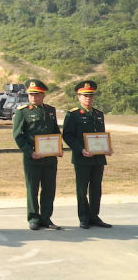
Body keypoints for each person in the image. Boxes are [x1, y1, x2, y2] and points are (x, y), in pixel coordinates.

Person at [62, 81, 114, 229]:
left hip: (98, 158)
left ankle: (94, 216)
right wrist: (80, 150)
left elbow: (100, 136)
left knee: (96, 188)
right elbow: (68, 135)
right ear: (78, 97)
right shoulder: (73, 114)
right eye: (85, 96)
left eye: (90, 96)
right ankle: (84, 217)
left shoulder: (98, 114)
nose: (88, 99)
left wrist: (107, 149)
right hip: (82, 157)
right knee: (82, 189)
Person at [12, 79, 62, 231]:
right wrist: (30, 152)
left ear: (43, 95)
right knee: (33, 189)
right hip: (32, 157)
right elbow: (18, 135)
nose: (33, 97)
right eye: (31, 94)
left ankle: (46, 218)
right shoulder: (23, 112)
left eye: (37, 94)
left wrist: (58, 148)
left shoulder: (50, 110)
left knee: (49, 188)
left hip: (50, 158)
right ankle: (33, 218)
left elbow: (55, 132)